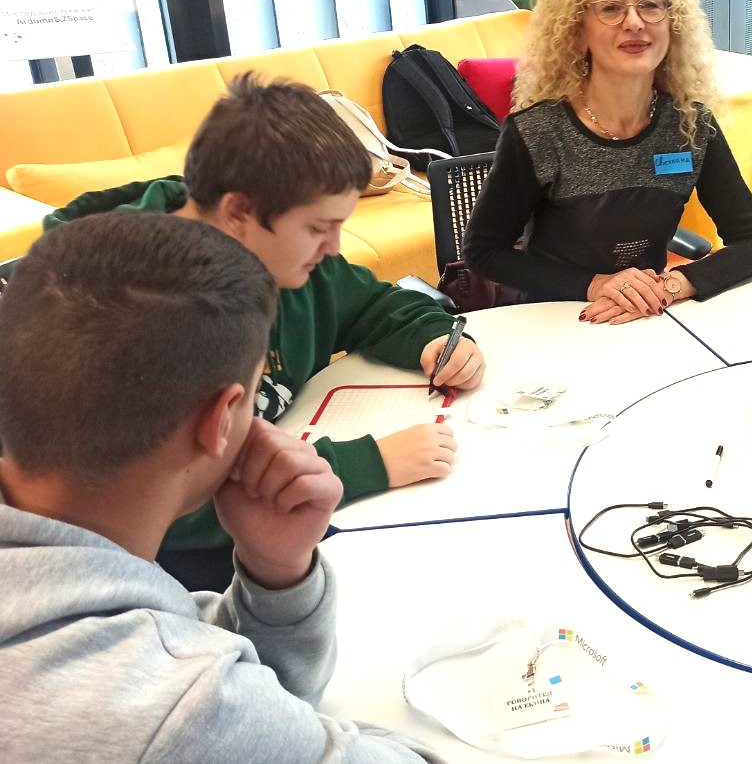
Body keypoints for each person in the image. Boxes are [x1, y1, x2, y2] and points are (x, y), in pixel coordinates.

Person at [0, 212, 438, 761]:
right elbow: (214, 712)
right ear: (222, 418)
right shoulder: (177, 712)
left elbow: (226, 679)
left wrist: (276, 574)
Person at [45, 74, 485, 590]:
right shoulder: (123, 315)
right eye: (318, 228)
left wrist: (433, 336)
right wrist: (365, 464)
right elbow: (155, 498)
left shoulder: (289, 262)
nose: (334, 248)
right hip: (173, 565)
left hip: (278, 506)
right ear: (239, 213)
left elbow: (372, 305)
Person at [464, 0, 752, 323]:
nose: (634, 22)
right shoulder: (538, 132)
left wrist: (670, 286)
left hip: (646, 316)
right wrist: (595, 284)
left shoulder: (691, 125)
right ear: (577, 28)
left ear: (673, 23)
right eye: (610, 8)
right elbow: (484, 252)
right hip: (554, 322)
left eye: (651, 5)